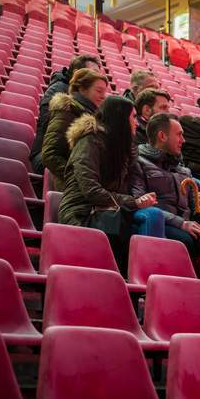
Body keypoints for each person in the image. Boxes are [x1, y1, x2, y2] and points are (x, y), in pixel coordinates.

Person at [58, 96, 159, 269]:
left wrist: (137, 201)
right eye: (133, 117)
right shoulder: (89, 142)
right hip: (82, 212)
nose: (137, 122)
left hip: (109, 211)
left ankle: (133, 281)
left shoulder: (121, 148)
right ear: (120, 118)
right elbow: (91, 191)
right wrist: (133, 202)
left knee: (149, 223)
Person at [132, 113, 200, 258]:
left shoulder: (183, 169)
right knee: (187, 241)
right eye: (179, 135)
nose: (183, 140)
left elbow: (199, 204)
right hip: (166, 223)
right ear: (162, 136)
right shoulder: (139, 163)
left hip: (188, 225)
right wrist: (181, 223)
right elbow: (140, 202)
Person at [31, 54, 101, 173]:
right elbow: (50, 126)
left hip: (72, 155)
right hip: (46, 156)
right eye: (93, 73)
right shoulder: (57, 90)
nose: (97, 78)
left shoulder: (89, 97)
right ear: (77, 73)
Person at [42, 68, 109, 190]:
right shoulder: (67, 111)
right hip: (73, 189)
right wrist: (78, 179)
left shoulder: (94, 115)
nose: (103, 96)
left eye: (105, 92)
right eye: (99, 91)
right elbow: (50, 154)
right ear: (82, 89)